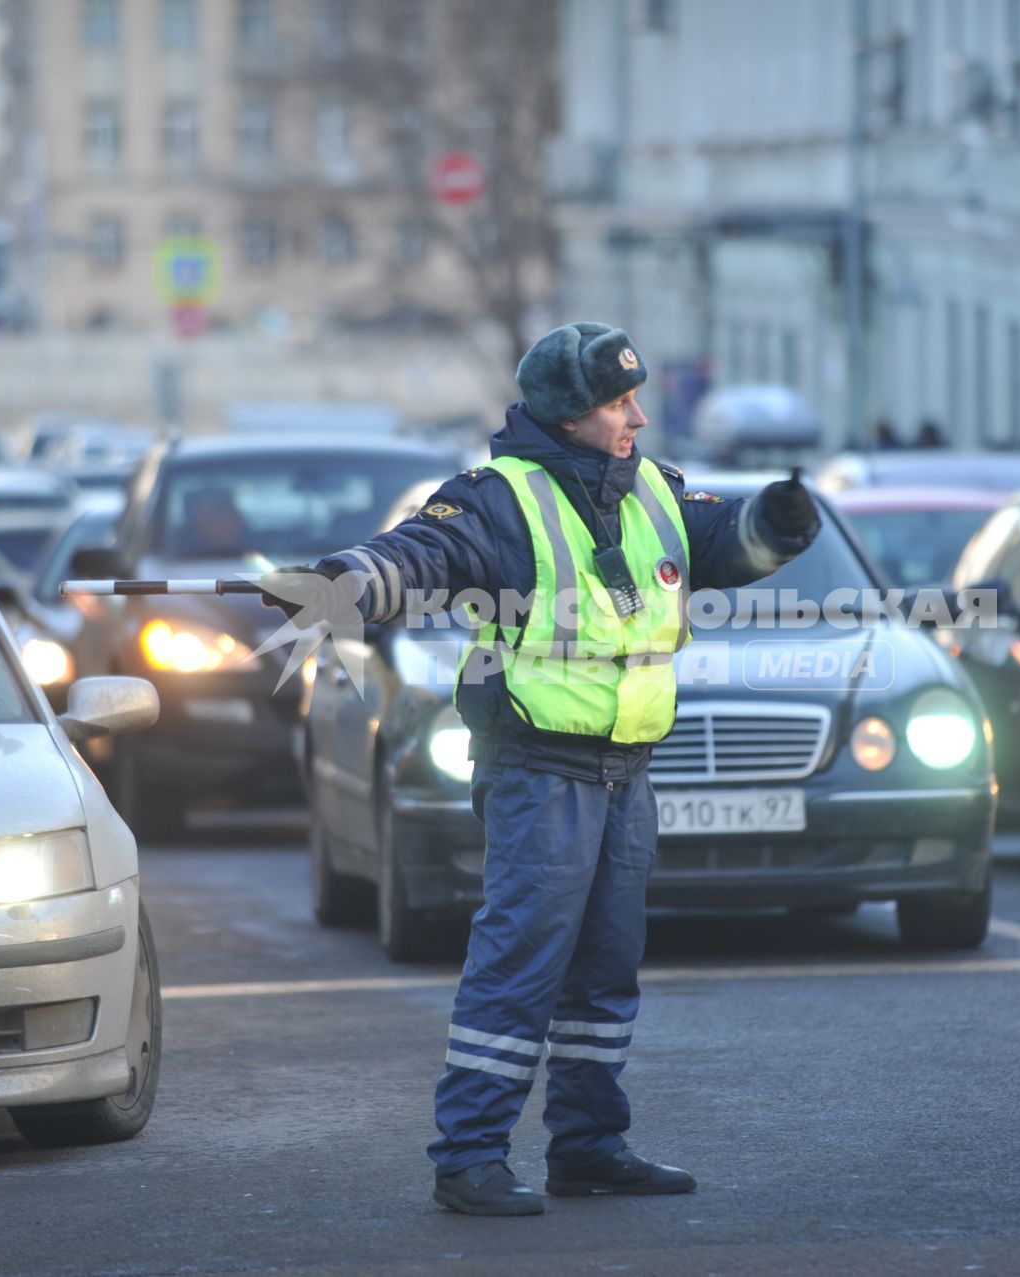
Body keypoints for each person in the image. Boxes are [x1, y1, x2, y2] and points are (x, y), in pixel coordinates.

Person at [269, 322, 820, 1216]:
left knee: (605, 971)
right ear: (569, 415)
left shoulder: (649, 488)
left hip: (624, 773)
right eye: (617, 403)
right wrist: (343, 581)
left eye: (635, 397)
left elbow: (720, 543)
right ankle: (469, 1157)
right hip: (541, 772)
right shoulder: (495, 499)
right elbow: (419, 553)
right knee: (521, 963)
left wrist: (775, 527)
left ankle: (590, 1148)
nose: (637, 415)